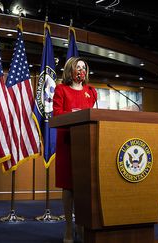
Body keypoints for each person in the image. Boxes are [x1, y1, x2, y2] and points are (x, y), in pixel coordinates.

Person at [53, 57, 97, 243]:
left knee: (84, 186)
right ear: (70, 69)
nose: (81, 70)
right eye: (78, 67)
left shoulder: (91, 91)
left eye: (84, 67)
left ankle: (82, 224)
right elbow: (57, 114)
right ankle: (68, 227)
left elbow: (94, 114)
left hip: (86, 142)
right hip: (67, 142)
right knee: (69, 186)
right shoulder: (61, 89)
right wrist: (75, 114)